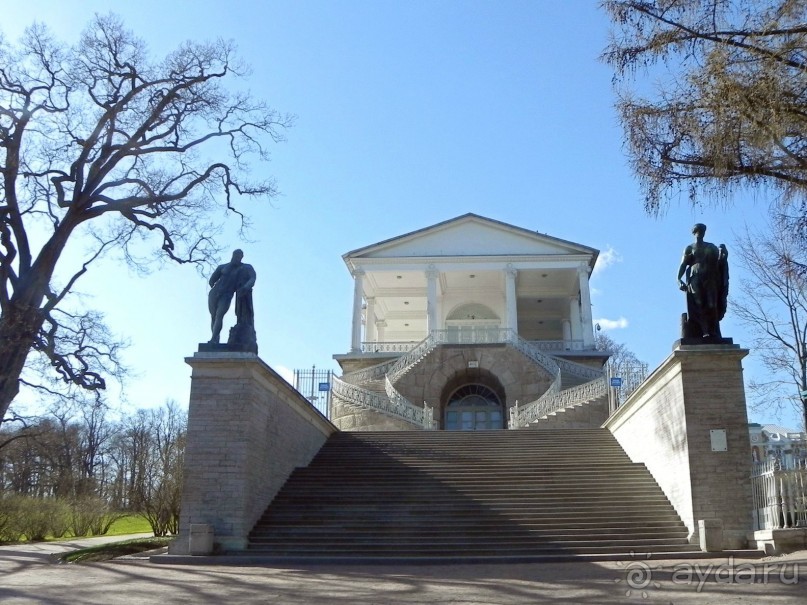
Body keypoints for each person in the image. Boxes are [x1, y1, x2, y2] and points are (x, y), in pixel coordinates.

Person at [677, 224, 729, 338]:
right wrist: (678, 279)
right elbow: (683, 265)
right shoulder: (690, 248)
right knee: (698, 304)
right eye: (698, 232)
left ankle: (713, 331)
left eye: (702, 231)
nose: (700, 234)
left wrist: (724, 255)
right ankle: (704, 331)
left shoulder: (711, 247)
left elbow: (719, 263)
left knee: (712, 304)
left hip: (710, 278)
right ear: (694, 233)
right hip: (695, 277)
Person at [208, 249, 256, 344]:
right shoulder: (222, 267)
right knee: (213, 316)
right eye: (236, 255)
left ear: (242, 257)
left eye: (239, 256)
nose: (237, 258)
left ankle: (214, 338)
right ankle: (215, 339)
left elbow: (253, 278)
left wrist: (246, 287)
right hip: (215, 293)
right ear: (232, 255)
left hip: (227, 295)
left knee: (219, 315)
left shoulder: (245, 268)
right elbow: (212, 280)